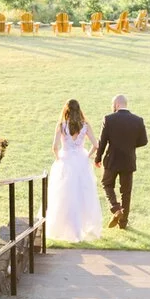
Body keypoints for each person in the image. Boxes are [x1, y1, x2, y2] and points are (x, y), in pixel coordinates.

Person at [45, 99, 103, 242]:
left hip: (66, 161)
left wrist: (58, 158)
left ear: (66, 110)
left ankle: (69, 229)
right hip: (81, 162)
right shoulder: (85, 125)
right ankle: (81, 229)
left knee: (64, 195)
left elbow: (55, 146)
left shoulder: (61, 125)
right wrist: (87, 155)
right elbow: (96, 145)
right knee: (83, 195)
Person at [94, 94, 148, 230]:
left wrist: (98, 158)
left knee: (106, 184)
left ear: (117, 104)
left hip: (111, 160)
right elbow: (144, 141)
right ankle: (123, 223)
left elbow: (102, 141)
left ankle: (115, 208)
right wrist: (129, 145)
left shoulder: (108, 119)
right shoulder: (138, 120)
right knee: (126, 192)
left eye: (113, 104)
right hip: (128, 161)